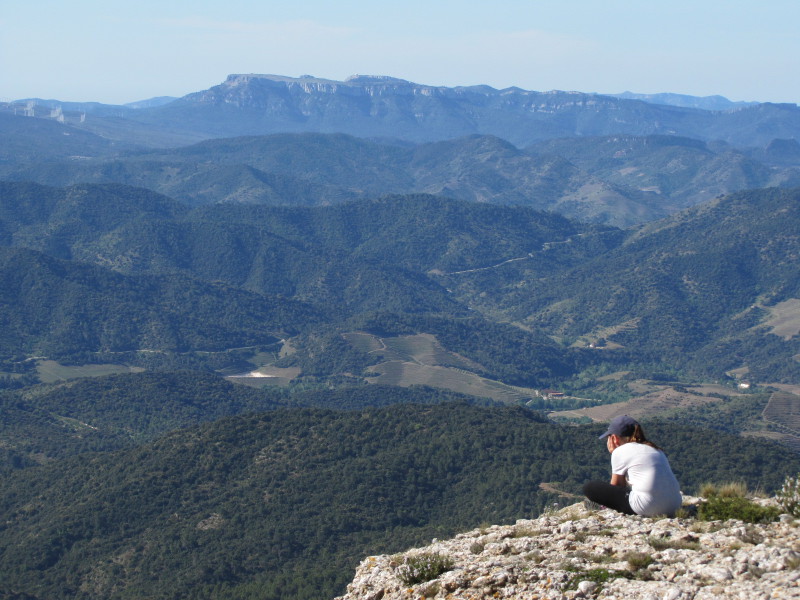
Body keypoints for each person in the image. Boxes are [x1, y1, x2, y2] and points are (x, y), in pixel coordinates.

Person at [583, 415, 682, 517]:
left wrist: (614, 453)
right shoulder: (656, 449)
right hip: (675, 506)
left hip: (648, 507)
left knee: (589, 487)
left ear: (614, 438)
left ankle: (600, 508)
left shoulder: (620, 451)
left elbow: (617, 486)